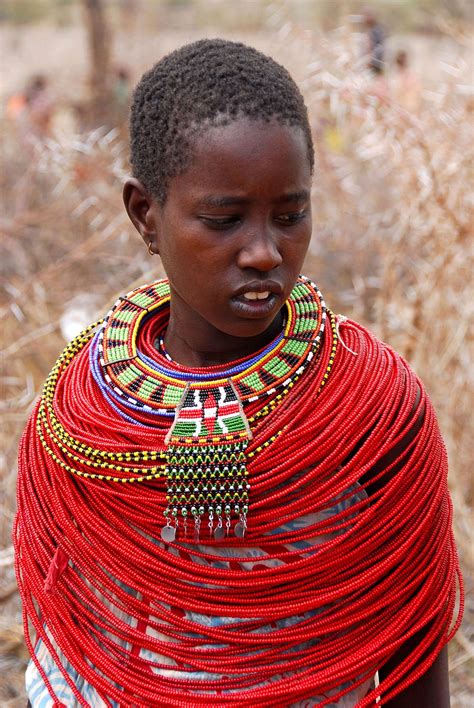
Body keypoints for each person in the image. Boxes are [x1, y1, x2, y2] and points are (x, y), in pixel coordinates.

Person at [15, 39, 461, 707]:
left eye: (290, 215)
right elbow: (68, 639)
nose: (263, 252)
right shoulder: (81, 416)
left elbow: (414, 648)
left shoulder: (374, 409)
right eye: (223, 220)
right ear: (145, 214)